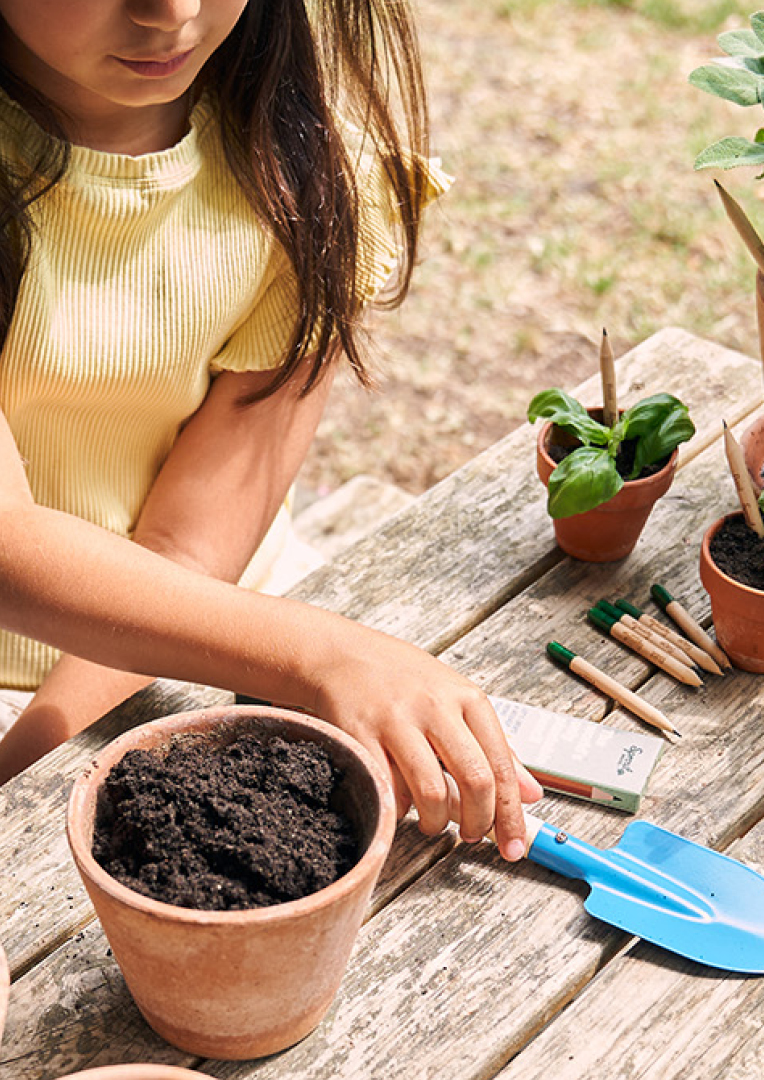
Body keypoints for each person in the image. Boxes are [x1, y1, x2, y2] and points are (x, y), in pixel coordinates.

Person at [0, 0, 542, 858]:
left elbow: (186, 546)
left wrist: (39, 762)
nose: (171, 11)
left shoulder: (301, 175)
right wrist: (325, 659)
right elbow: (8, 547)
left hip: (204, 642)